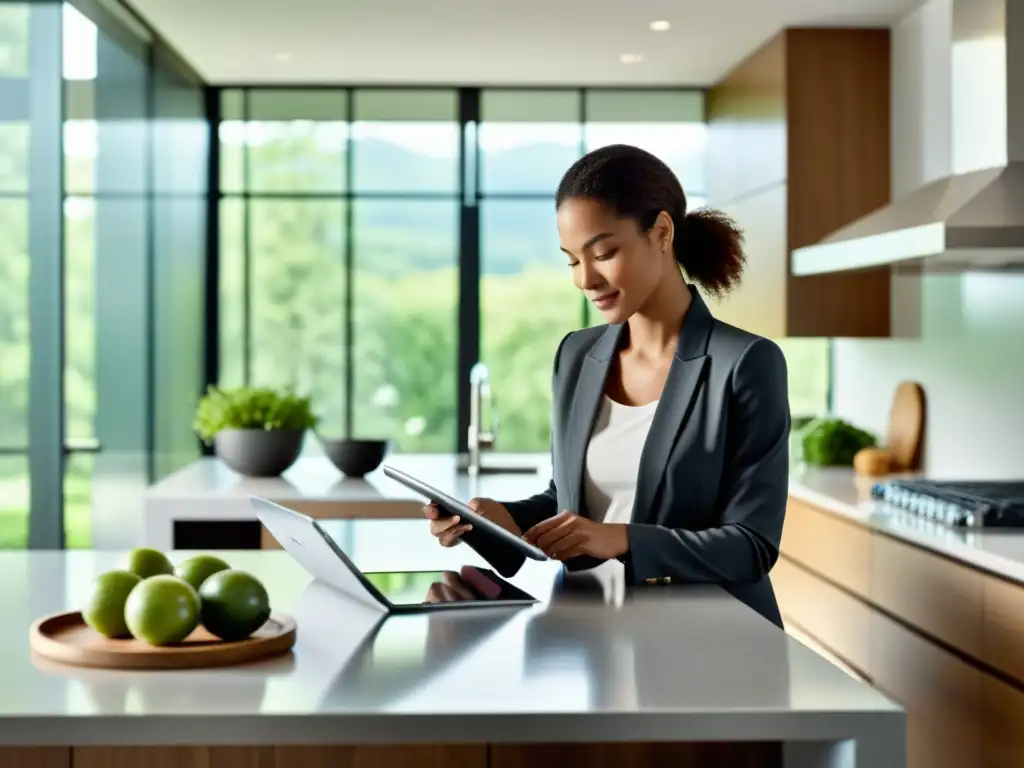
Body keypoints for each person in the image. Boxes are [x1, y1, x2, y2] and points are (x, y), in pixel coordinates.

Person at [424, 144, 791, 628]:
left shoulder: (744, 363)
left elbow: (751, 546)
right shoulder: (577, 355)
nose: (585, 279)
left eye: (603, 253)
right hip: (589, 633)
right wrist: (497, 523)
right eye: (572, 261)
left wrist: (622, 539)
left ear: (661, 232)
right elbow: (571, 504)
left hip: (711, 640)